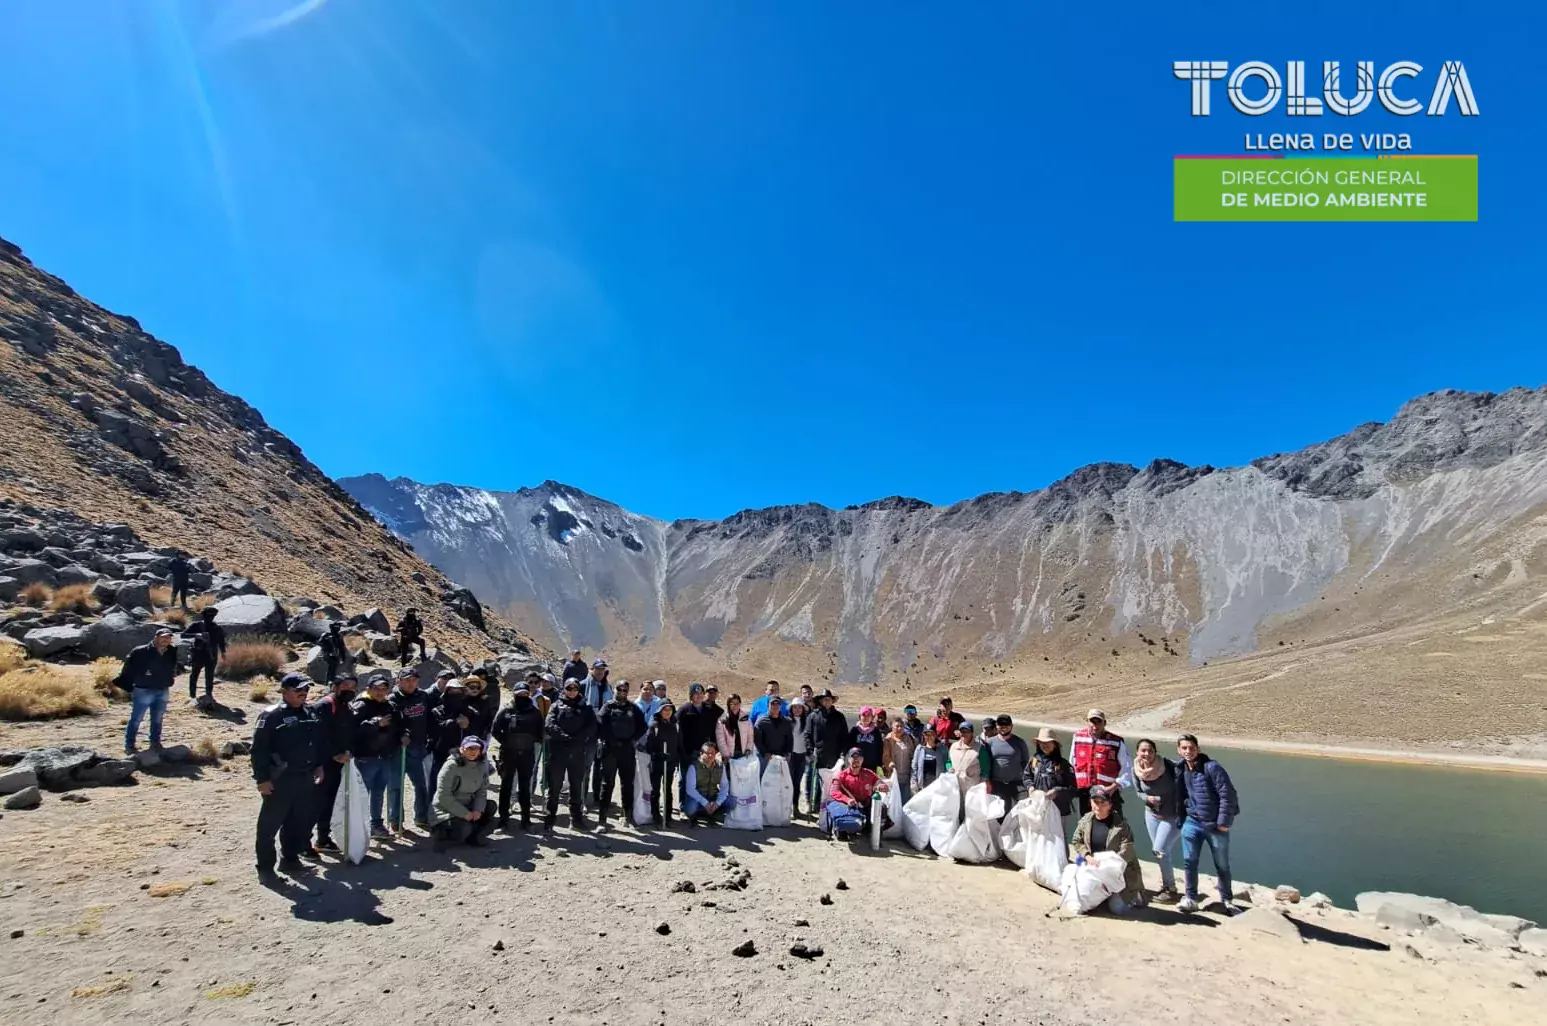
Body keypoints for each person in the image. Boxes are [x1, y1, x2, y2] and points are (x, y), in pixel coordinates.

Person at [251, 673, 323, 877]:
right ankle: (265, 868)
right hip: (280, 779)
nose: (303, 693)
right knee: (269, 826)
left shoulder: (309, 713)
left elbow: (315, 743)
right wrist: (262, 779)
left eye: (306, 690)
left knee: (297, 823)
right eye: (298, 690)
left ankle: (290, 861)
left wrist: (318, 765)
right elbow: (259, 750)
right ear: (283, 691)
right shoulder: (271, 715)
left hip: (304, 777)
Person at [1176, 734, 1242, 914]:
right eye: (1184, 748)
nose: (1188, 751)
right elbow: (1179, 794)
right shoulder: (1180, 768)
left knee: (1221, 865)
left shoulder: (1212, 768)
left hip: (1214, 825)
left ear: (1198, 748)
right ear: (1179, 750)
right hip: (1191, 822)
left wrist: (1223, 822)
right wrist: (1180, 819)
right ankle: (1190, 898)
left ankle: (1227, 901)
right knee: (1189, 861)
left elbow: (1227, 795)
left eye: (1191, 747)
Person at [1068, 788, 1145, 914]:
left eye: (1103, 803)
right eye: (1095, 802)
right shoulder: (1086, 820)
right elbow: (1077, 841)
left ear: (1110, 805)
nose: (1098, 806)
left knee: (1117, 909)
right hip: (1094, 867)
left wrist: (1106, 864)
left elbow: (1127, 850)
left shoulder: (1121, 825)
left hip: (1117, 872)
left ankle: (1134, 896)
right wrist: (1087, 856)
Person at [349, 676, 402, 838]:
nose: (380, 692)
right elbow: (353, 730)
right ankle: (359, 825)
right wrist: (375, 723)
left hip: (385, 757)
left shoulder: (390, 706)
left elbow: (399, 726)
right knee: (362, 793)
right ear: (369, 689)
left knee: (379, 792)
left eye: (383, 689)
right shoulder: (361, 705)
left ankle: (376, 825)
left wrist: (404, 735)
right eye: (376, 689)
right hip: (366, 757)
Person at [1132, 738, 1184, 903]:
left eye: (1150, 751)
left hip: (1173, 816)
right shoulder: (1136, 769)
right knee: (1160, 853)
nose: (1146, 754)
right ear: (1137, 752)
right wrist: (1148, 798)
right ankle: (1168, 887)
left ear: (1155, 752)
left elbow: (1187, 778)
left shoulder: (1168, 766)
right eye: (1143, 751)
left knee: (1160, 849)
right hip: (1152, 815)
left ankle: (1171, 889)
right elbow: (1138, 791)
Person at [310, 673, 357, 852]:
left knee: (329, 802)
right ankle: (304, 844)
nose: (349, 690)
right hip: (322, 764)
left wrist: (347, 751)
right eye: (345, 686)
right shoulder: (325, 705)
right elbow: (318, 736)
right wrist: (333, 754)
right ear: (335, 687)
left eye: (353, 687)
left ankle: (322, 839)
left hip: (339, 763)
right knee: (315, 803)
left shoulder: (346, 706)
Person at [543, 678, 598, 830]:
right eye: (569, 688)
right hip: (558, 750)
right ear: (564, 689)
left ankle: (576, 819)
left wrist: (579, 737)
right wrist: (562, 736)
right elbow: (549, 724)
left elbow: (592, 726)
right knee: (554, 786)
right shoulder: (556, 705)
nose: (572, 691)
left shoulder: (586, 707)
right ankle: (550, 818)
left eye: (575, 689)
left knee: (576, 786)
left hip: (577, 751)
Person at [388, 666, 437, 829]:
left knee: (421, 784)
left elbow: (430, 717)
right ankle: (396, 820)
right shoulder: (392, 699)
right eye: (407, 680)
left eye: (414, 680)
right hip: (398, 749)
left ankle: (421, 816)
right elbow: (390, 724)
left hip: (418, 747)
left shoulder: (423, 696)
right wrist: (399, 736)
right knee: (396, 786)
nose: (410, 684)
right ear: (399, 681)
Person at [491, 684, 545, 829]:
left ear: (528, 695)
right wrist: (506, 741)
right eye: (519, 694)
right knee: (506, 786)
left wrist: (530, 741)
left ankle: (526, 819)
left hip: (527, 754)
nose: (522, 696)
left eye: (524, 694)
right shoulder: (506, 709)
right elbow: (495, 729)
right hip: (508, 754)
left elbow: (541, 732)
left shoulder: (534, 712)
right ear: (514, 694)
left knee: (525, 787)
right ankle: (503, 818)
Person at [117, 627, 178, 754]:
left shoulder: (171, 651)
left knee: (157, 718)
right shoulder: (140, 651)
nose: (166, 639)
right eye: (163, 637)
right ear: (156, 638)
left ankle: (155, 743)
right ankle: (130, 745)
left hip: (162, 689)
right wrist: (128, 684)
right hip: (143, 689)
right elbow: (128, 669)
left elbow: (172, 666)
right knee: (136, 719)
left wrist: (170, 679)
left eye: (168, 637)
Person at [596, 679, 648, 827]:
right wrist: (610, 740)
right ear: (615, 690)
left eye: (625, 690)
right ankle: (602, 819)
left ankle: (628, 816)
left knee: (627, 784)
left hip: (627, 750)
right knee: (607, 784)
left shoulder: (633, 708)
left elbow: (643, 726)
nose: (622, 692)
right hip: (610, 750)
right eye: (619, 689)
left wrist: (633, 739)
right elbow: (600, 724)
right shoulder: (608, 706)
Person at [432, 736, 494, 851]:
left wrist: (478, 810)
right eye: (469, 748)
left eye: (476, 748)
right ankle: (444, 834)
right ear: (462, 749)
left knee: (490, 806)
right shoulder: (451, 766)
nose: (473, 751)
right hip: (446, 809)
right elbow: (443, 795)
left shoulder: (481, 766)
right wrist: (464, 813)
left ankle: (472, 834)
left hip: (468, 804)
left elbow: (482, 790)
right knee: (464, 829)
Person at [1071, 709, 1133, 814]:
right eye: (1092, 721)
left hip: (1108, 792)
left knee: (1115, 827)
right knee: (1086, 826)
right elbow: (1072, 762)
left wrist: (1113, 787)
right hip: (1084, 793)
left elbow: (1127, 769)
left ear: (1105, 723)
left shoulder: (1116, 742)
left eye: (1099, 722)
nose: (1095, 725)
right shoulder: (1078, 737)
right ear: (1087, 721)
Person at [432, 678, 490, 786]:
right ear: (446, 693)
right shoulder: (437, 711)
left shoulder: (471, 712)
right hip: (441, 754)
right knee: (438, 786)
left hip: (465, 756)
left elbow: (478, 733)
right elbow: (434, 731)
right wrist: (453, 723)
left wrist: (468, 726)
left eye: (458, 691)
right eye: (452, 691)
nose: (455, 694)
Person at [826, 747, 888, 841]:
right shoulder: (841, 775)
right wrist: (847, 800)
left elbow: (879, 782)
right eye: (853, 758)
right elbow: (834, 791)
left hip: (865, 804)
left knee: (882, 807)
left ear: (862, 760)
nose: (856, 761)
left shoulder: (868, 773)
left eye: (858, 758)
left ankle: (873, 833)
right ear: (849, 760)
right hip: (849, 805)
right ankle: (842, 831)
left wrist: (882, 786)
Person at [1030, 728, 1078, 837]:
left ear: (1055, 745)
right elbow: (1027, 777)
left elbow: (1074, 789)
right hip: (1038, 809)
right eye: (1041, 742)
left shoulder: (1063, 764)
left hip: (1060, 810)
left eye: (1047, 743)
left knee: (1059, 838)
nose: (1044, 745)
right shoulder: (1033, 761)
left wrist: (1057, 791)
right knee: (1038, 837)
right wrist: (1030, 787)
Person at [983, 714, 1033, 818]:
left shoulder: (1020, 742)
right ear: (996, 726)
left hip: (1017, 785)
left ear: (1011, 726)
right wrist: (986, 781)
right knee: (998, 815)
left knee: (1019, 815)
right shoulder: (990, 743)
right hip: (997, 785)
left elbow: (1026, 764)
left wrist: (1029, 784)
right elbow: (985, 764)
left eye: (1006, 724)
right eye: (1000, 724)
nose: (1003, 727)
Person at [580, 659, 614, 807]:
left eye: (602, 669)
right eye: (597, 669)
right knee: (585, 766)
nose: (600, 672)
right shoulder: (582, 686)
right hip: (588, 732)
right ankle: (581, 799)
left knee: (601, 767)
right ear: (592, 669)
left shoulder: (608, 687)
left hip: (603, 732)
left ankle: (597, 798)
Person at [676, 683, 717, 800]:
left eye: (701, 693)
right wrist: (681, 751)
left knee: (701, 780)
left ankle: (699, 807)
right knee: (684, 780)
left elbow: (713, 729)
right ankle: (683, 806)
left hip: (703, 752)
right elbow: (677, 731)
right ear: (691, 695)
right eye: (695, 693)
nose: (698, 696)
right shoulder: (684, 709)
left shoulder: (707, 710)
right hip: (687, 752)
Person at [181, 605, 227, 703]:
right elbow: (183, 635)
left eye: (212, 616)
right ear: (204, 615)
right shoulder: (197, 625)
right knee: (194, 674)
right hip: (198, 653)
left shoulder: (217, 627)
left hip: (211, 654)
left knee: (209, 675)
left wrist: (223, 652)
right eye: (208, 615)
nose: (210, 617)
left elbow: (221, 641)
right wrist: (196, 635)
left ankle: (208, 694)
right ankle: (192, 695)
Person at [644, 701, 680, 826]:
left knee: (668, 789)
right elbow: (648, 746)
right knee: (655, 790)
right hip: (657, 763)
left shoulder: (675, 725)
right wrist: (658, 754)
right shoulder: (654, 726)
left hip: (670, 763)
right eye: (665, 709)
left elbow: (678, 744)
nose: (667, 712)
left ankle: (668, 816)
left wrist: (676, 759)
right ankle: (655, 816)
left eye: (670, 709)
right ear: (659, 711)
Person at [683, 740, 729, 827]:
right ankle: (704, 812)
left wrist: (717, 803)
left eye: (712, 752)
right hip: (698, 798)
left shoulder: (720, 766)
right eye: (707, 753)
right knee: (690, 809)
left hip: (713, 796)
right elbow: (690, 789)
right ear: (701, 753)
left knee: (732, 801)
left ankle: (712, 811)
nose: (710, 755)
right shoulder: (693, 767)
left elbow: (725, 786)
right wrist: (705, 803)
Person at [806, 688, 849, 777]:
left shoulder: (839, 717)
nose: (826, 702)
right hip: (817, 756)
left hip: (835, 756)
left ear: (832, 701)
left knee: (833, 783)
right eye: (824, 700)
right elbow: (807, 735)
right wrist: (810, 752)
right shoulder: (813, 716)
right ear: (820, 701)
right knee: (815, 785)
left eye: (828, 699)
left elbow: (844, 737)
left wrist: (843, 753)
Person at [753, 695, 793, 774]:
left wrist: (788, 753)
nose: (775, 706)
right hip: (765, 758)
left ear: (780, 706)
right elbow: (757, 740)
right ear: (768, 706)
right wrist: (765, 753)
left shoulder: (787, 721)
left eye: (777, 704)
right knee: (763, 780)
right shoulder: (761, 721)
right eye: (772, 704)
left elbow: (789, 739)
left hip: (781, 757)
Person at [882, 716, 918, 806]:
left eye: (901, 726)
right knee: (892, 804)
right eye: (897, 726)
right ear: (892, 727)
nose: (899, 728)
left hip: (906, 777)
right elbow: (886, 756)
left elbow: (915, 754)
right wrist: (890, 764)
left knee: (905, 803)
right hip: (893, 777)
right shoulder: (888, 740)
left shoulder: (910, 738)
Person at [947, 721, 990, 794]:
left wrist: (982, 784)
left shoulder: (980, 748)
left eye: (967, 731)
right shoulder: (953, 746)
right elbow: (948, 761)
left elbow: (985, 768)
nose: (964, 734)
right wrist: (949, 768)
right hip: (955, 784)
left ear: (972, 733)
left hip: (972, 786)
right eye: (962, 731)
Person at [786, 697, 810, 814]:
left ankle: (795, 806)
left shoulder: (807, 722)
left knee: (798, 782)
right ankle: (788, 807)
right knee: (789, 782)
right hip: (791, 755)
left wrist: (809, 753)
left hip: (802, 755)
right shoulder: (787, 722)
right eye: (794, 707)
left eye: (799, 707)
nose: (797, 709)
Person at [847, 706, 885, 771]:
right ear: (860, 717)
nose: (866, 717)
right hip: (856, 765)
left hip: (871, 766)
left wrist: (879, 765)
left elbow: (879, 749)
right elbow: (848, 748)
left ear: (872, 717)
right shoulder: (854, 730)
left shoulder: (876, 731)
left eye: (868, 715)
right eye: (864, 715)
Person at [911, 726, 946, 792]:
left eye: (931, 734)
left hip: (938, 786)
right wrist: (913, 781)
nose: (929, 737)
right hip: (922, 787)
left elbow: (947, 762)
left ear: (935, 735)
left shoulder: (942, 748)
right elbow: (914, 766)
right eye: (926, 734)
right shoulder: (919, 748)